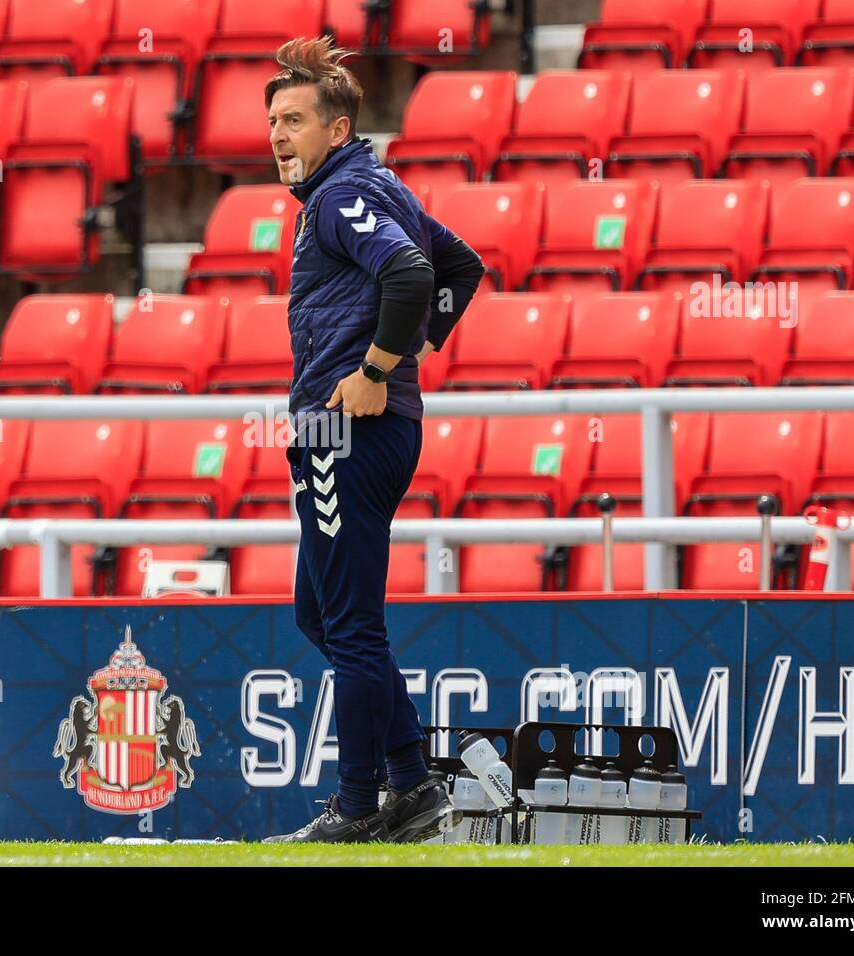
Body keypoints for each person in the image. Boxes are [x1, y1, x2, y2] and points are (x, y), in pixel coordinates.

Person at [261, 37, 485, 843]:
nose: (280, 135)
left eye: (295, 120)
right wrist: (416, 355)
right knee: (318, 615)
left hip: (346, 428)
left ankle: (360, 808)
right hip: (360, 428)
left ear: (337, 126)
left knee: (350, 627)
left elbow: (415, 276)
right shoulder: (378, 184)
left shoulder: (338, 199)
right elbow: (463, 266)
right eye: (274, 121)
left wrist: (381, 366)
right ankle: (412, 785)